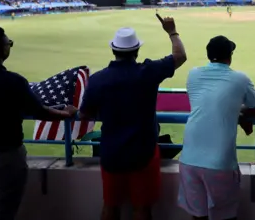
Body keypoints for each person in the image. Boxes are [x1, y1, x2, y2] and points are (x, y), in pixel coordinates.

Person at [0, 27, 77, 220]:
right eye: (8, 43)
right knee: (0, 214)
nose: (9, 46)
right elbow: (40, 112)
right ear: (2, 50)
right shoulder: (13, 81)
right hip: (3, 159)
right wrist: (65, 113)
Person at [79, 14, 187, 220]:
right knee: (142, 208)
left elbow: (85, 113)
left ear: (113, 50)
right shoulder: (148, 72)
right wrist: (172, 31)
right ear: (137, 50)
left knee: (110, 206)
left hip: (111, 152)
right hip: (143, 152)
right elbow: (180, 56)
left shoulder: (98, 80)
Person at [178, 36, 255, 220]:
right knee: (224, 217)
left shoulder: (193, 74)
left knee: (198, 217)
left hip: (189, 159)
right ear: (230, 56)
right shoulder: (240, 78)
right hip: (219, 163)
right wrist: (238, 113)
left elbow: (208, 103)